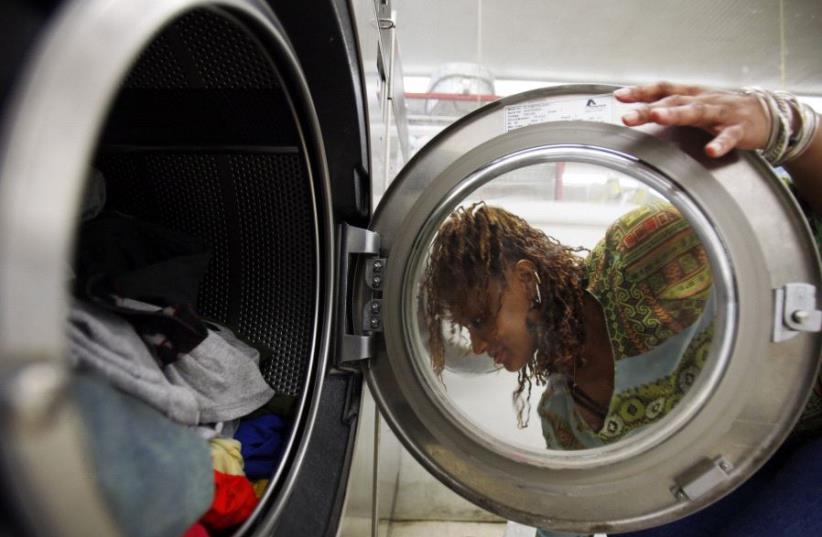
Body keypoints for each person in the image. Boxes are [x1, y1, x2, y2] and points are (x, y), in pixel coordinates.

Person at [421, 81, 822, 536]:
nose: (476, 345)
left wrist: (791, 128)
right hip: (751, 463)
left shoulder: (639, 253)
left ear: (525, 278)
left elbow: (792, 228)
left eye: (478, 318)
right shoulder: (564, 418)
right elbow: (572, 517)